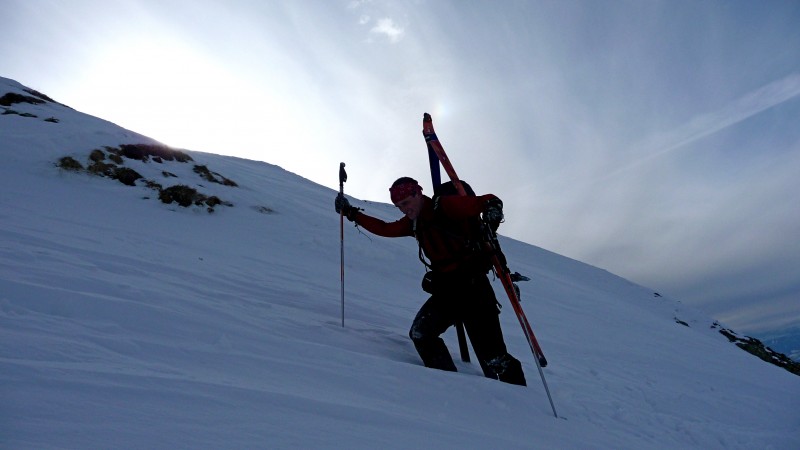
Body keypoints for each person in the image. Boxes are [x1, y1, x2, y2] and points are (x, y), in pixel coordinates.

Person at [335, 177, 526, 386]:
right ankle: (448, 386)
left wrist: (493, 209)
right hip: (448, 291)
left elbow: (488, 200)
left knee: (494, 358)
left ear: (418, 194)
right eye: (398, 206)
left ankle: (521, 404)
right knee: (421, 334)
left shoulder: (445, 206)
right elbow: (385, 229)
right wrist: (352, 213)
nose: (403, 210)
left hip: (474, 291)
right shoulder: (414, 222)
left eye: (406, 203)